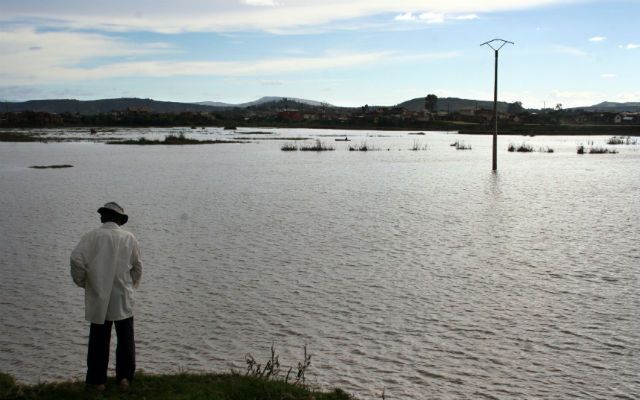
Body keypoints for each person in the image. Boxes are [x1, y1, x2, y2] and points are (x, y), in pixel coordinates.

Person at [70, 202, 142, 391]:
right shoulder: (129, 238)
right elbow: (137, 267)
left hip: (99, 295)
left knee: (98, 340)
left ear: (103, 217)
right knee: (126, 338)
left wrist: (84, 281)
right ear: (120, 220)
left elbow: (76, 259)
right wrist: (131, 285)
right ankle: (125, 378)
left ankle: (97, 381)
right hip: (123, 295)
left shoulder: (91, 237)